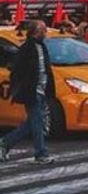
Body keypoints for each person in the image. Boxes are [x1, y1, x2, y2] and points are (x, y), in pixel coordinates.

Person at [0, 20, 54, 164]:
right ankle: (40, 153)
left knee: (33, 122)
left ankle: (5, 142)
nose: (46, 33)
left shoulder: (41, 47)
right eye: (44, 30)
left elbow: (46, 70)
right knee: (36, 122)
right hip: (32, 91)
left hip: (41, 90)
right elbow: (17, 70)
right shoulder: (27, 48)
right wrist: (21, 86)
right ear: (37, 32)